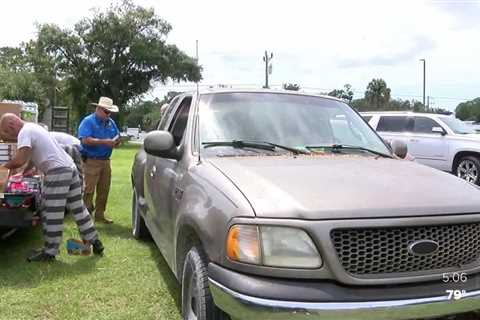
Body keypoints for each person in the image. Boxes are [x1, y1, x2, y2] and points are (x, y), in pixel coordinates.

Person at [0, 113, 103, 262]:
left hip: (57, 172)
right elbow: (32, 156)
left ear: (11, 125)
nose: (13, 138)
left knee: (50, 211)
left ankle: (50, 251)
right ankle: (95, 241)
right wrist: (24, 172)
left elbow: (20, 159)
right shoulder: (34, 127)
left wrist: (3, 168)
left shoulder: (24, 132)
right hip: (70, 168)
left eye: (9, 134)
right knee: (78, 208)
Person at [78, 97, 120, 224]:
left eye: (110, 112)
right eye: (106, 112)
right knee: (88, 190)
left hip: (105, 161)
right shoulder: (88, 121)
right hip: (91, 160)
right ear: (98, 109)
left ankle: (100, 215)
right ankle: (85, 217)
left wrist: (116, 142)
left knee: (104, 189)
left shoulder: (111, 123)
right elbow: (84, 140)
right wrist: (104, 142)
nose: (108, 114)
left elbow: (116, 136)